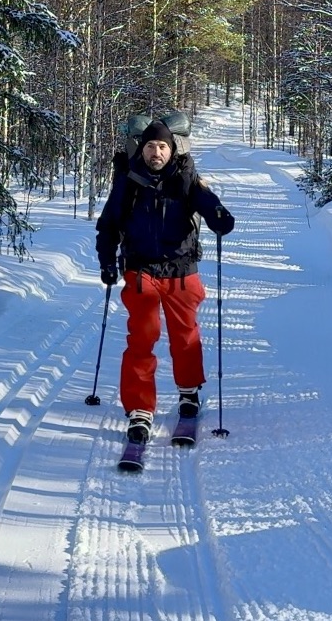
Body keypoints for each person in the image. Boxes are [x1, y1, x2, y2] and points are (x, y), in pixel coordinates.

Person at [96, 117, 235, 443]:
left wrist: (220, 217)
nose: (155, 152)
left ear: (172, 150)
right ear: (141, 149)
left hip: (182, 272)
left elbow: (212, 208)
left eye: (162, 146)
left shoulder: (186, 179)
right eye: (150, 146)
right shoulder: (127, 182)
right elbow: (108, 226)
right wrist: (106, 262)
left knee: (185, 338)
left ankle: (188, 393)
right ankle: (140, 408)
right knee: (142, 340)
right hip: (141, 271)